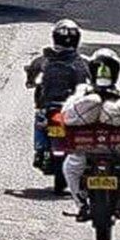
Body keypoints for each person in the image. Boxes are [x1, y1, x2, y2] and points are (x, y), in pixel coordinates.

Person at [61, 50, 120, 221]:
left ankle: (81, 206)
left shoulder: (83, 92)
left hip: (84, 148)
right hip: (118, 149)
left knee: (70, 169)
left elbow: (67, 112)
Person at [25, 19, 89, 163]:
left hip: (51, 106)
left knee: (40, 119)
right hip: (73, 107)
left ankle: (40, 150)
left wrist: (30, 81)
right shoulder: (82, 61)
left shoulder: (44, 59)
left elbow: (32, 72)